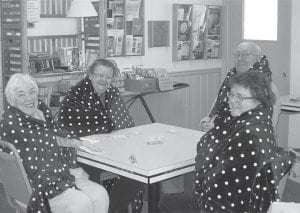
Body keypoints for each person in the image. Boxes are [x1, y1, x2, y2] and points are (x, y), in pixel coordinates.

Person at [159, 71, 293, 213]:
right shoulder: (261, 122)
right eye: (231, 94)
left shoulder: (248, 136)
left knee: (168, 202)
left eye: (240, 97)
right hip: (248, 202)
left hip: (226, 206)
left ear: (258, 100)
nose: (232, 100)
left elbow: (215, 183)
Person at [0, 73, 109, 213]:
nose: (29, 98)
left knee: (100, 194)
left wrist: (74, 142)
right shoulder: (11, 124)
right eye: (21, 94)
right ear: (12, 100)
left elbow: (54, 134)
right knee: (81, 203)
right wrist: (67, 143)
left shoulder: (42, 111)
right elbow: (45, 142)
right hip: (38, 184)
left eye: (32, 92)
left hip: (61, 173)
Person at [57, 58, 144, 213]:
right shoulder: (76, 93)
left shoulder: (112, 93)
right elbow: (69, 126)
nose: (104, 80)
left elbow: (126, 124)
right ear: (90, 75)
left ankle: (113, 208)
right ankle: (99, 206)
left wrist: (110, 128)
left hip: (113, 148)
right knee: (93, 172)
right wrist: (108, 125)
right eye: (99, 75)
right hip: (80, 152)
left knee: (137, 169)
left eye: (108, 77)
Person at [200, 41, 281, 132]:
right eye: (237, 54)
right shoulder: (230, 80)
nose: (240, 58)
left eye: (246, 55)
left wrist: (219, 129)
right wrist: (207, 121)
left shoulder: (266, 86)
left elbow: (265, 126)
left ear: (258, 58)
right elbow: (216, 105)